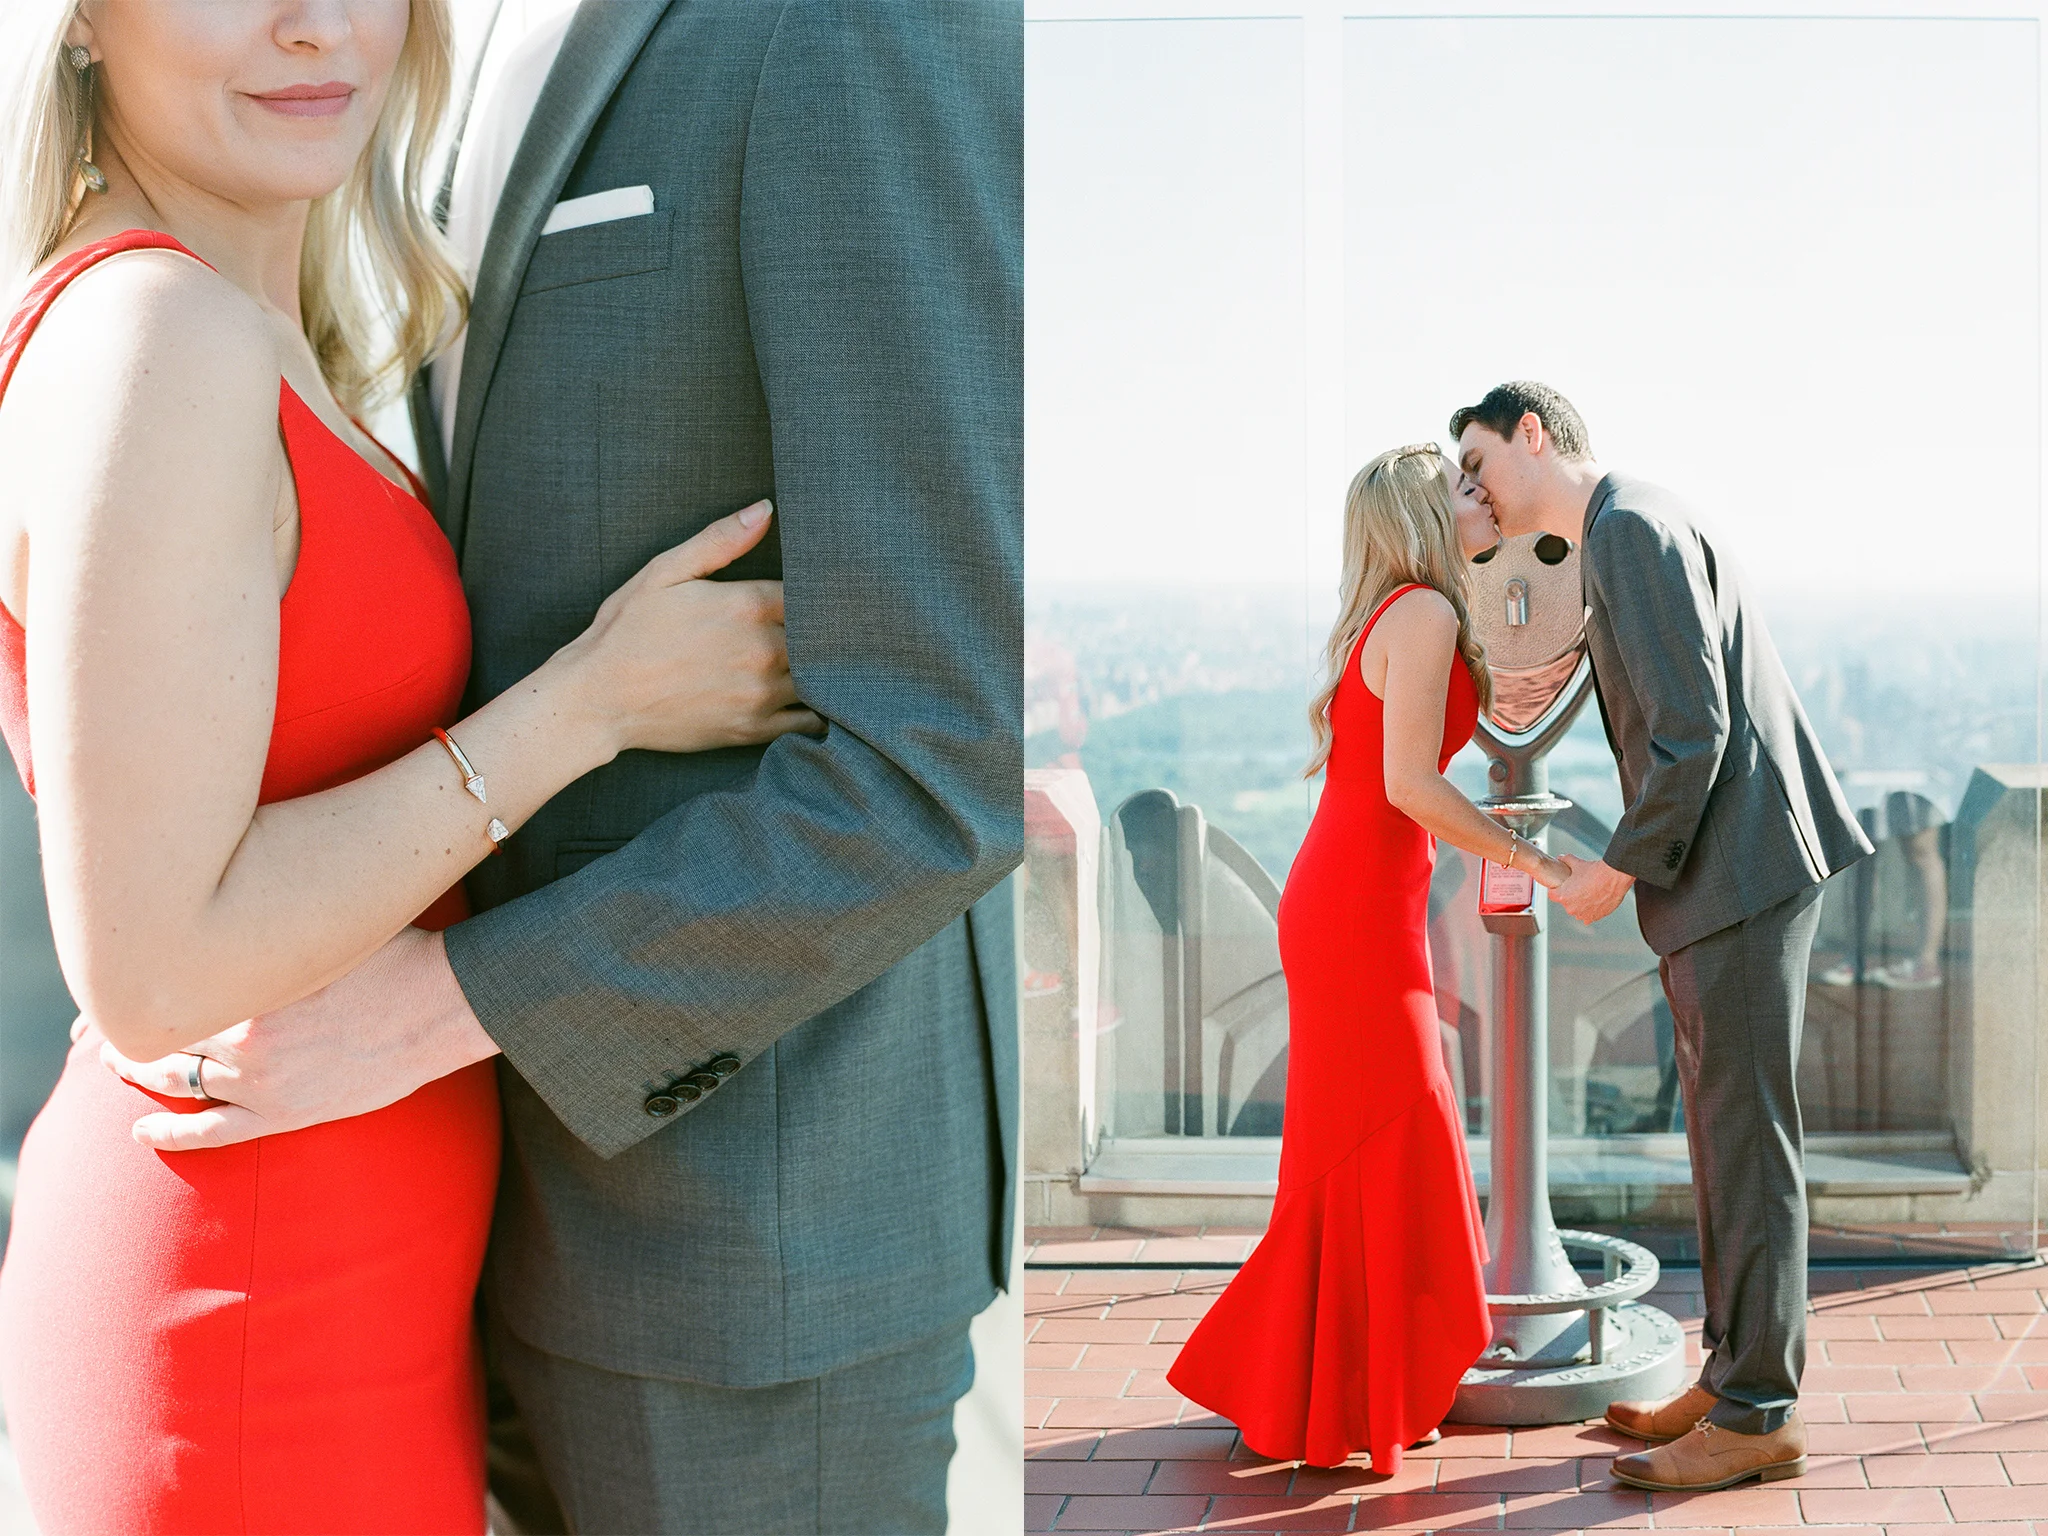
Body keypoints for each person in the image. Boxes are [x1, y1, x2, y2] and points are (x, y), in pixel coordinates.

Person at [95, 2, 1024, 1531]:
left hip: (745, 1259)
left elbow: (943, 754)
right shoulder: (439, 45)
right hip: (448, 1227)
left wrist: (431, 1011)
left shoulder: (851, 28)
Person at [1451, 381, 1871, 1493]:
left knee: (1742, 1142)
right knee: (1721, 1134)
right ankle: (1732, 1378)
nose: (1472, 488)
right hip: (1729, 875)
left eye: (1478, 461)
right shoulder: (1630, 522)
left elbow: (1692, 731)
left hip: (1733, 876)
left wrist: (1612, 869)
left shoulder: (1626, 530)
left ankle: (1756, 1411)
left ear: (1531, 433)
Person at [1167, 445, 1570, 1471]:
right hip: (1357, 910)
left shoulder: (1400, 610)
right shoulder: (1426, 617)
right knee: (1395, 1131)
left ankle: (1349, 1391)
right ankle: (1351, 1390)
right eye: (1460, 491)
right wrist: (1535, 859)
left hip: (1353, 898)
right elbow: (1408, 787)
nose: (1478, 498)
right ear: (1422, 521)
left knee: (1365, 1143)